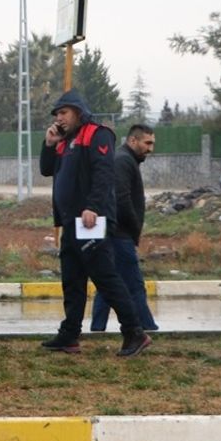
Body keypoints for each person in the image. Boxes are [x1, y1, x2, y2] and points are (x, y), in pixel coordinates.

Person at [39, 90, 152, 357]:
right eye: (57, 114)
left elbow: (104, 174)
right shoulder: (65, 141)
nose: (59, 118)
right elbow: (46, 170)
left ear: (78, 111)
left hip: (91, 220)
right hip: (70, 222)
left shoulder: (97, 134)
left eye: (63, 112)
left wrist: (93, 207)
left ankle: (135, 332)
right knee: (72, 278)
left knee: (105, 277)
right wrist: (49, 144)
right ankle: (69, 335)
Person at [91, 124, 159, 332]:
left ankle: (97, 329)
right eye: (147, 143)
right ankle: (147, 327)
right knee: (134, 284)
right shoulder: (123, 161)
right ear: (132, 141)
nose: (150, 148)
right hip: (120, 235)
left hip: (117, 234)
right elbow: (121, 199)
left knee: (109, 284)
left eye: (152, 144)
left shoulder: (126, 160)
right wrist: (134, 226)